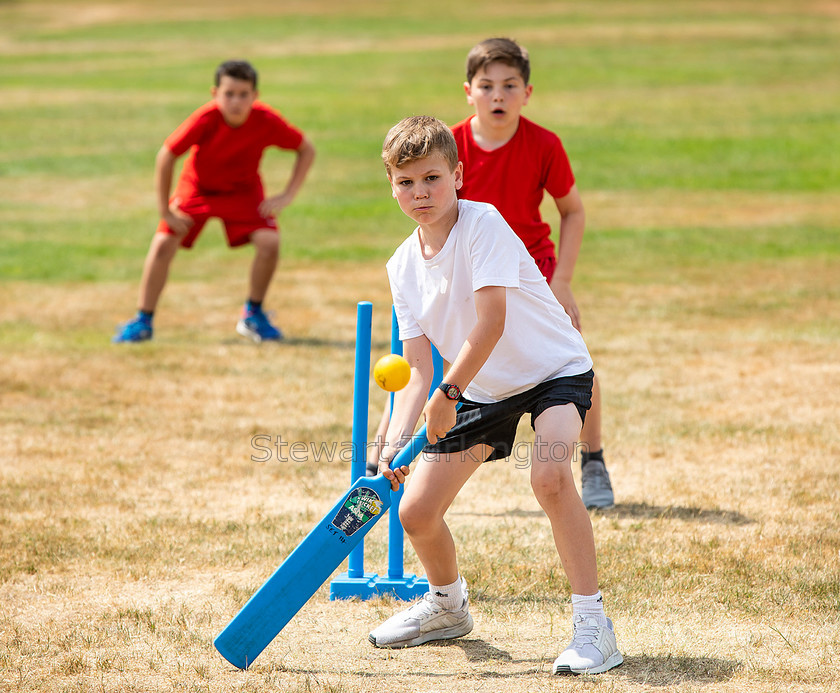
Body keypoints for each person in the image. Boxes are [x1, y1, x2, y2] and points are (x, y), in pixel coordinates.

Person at [369, 115, 622, 676]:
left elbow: (492, 323)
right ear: (391, 186)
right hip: (482, 387)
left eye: (432, 178)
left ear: (458, 176)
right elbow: (414, 367)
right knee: (416, 511)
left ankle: (593, 626)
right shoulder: (401, 266)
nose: (420, 193)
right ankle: (447, 605)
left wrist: (447, 392)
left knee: (550, 475)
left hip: (552, 369)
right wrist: (394, 437)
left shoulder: (483, 224)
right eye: (407, 182)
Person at [112, 59, 315, 343]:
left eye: (243, 94)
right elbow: (167, 155)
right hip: (198, 189)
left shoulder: (266, 121)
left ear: (255, 96)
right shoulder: (206, 119)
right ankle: (143, 320)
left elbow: (306, 149)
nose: (235, 101)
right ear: (215, 94)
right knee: (162, 244)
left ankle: (253, 314)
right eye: (228, 94)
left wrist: (287, 194)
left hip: (243, 191)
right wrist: (164, 211)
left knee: (270, 242)